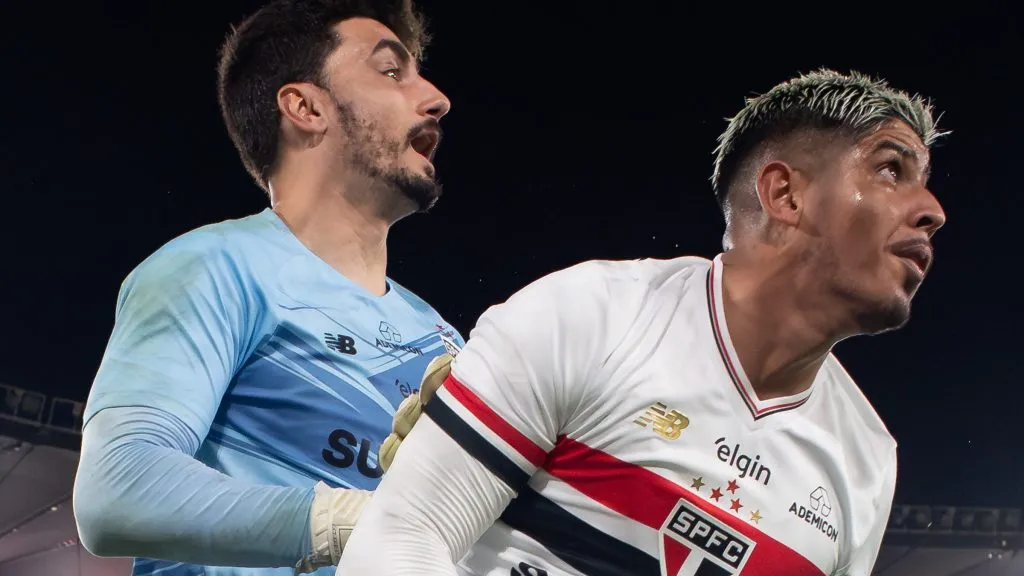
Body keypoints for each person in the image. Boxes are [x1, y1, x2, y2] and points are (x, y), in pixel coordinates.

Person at [338, 69, 948, 576]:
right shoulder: (592, 317)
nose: (933, 211)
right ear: (785, 196)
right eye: (891, 170)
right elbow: (396, 541)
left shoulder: (867, 462)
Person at [71, 1, 461, 575]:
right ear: (305, 107)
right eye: (390, 71)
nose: (435, 98)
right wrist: (369, 523)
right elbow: (117, 487)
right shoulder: (217, 267)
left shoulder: (442, 338)